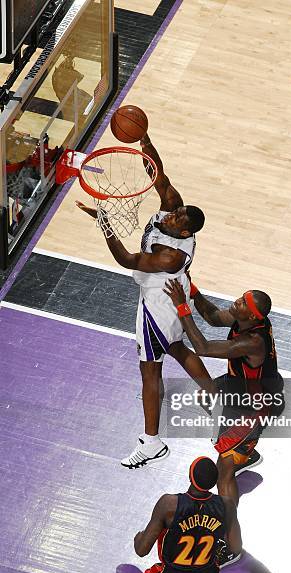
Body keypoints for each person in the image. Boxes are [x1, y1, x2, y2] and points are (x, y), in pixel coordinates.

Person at [78, 132, 213, 469]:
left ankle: (152, 441)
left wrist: (105, 222)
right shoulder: (172, 207)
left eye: (178, 219)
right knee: (177, 348)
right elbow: (159, 175)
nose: (172, 215)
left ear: (185, 233)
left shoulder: (170, 256)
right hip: (165, 294)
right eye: (176, 212)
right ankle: (217, 397)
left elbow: (127, 259)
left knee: (150, 370)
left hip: (159, 300)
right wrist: (145, 141)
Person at [164, 279, 285, 553]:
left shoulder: (253, 341)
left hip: (253, 407)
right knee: (205, 395)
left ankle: (231, 544)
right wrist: (194, 293)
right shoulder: (244, 319)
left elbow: (203, 348)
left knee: (223, 475)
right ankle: (247, 453)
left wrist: (181, 306)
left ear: (252, 315)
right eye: (241, 297)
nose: (237, 302)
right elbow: (213, 315)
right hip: (238, 387)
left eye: (243, 303)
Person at [134, 456, 242, 573]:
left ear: (190, 476)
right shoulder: (227, 505)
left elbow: (141, 550)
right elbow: (236, 547)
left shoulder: (169, 504)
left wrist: (139, 538)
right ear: (214, 480)